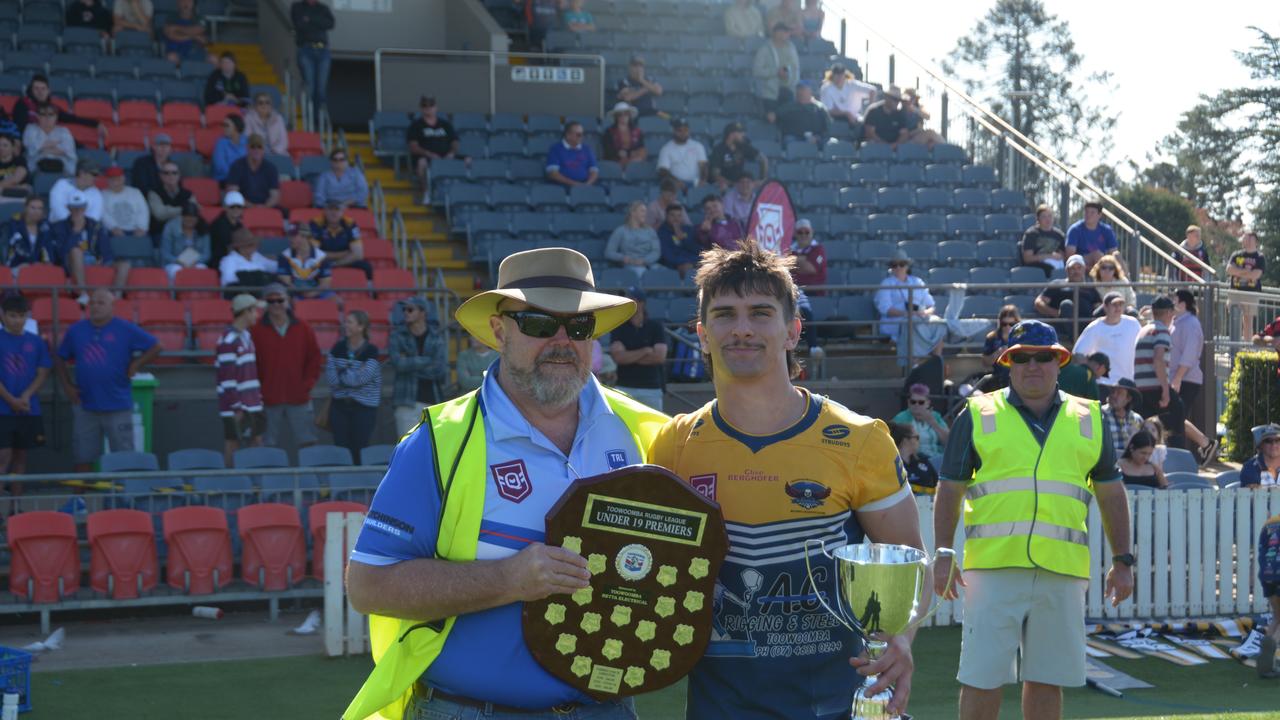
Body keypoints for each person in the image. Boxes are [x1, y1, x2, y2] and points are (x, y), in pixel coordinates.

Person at [342, 247, 665, 720]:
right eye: (538, 323)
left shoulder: (646, 433)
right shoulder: (438, 441)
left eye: (578, 327)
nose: (561, 340)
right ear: (499, 330)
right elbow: (368, 586)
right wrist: (507, 579)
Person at [647, 241, 927, 720]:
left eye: (760, 312)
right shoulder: (674, 445)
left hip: (837, 705)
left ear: (793, 330)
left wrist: (899, 637)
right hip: (719, 708)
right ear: (701, 334)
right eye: (724, 314)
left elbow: (910, 566)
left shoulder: (861, 439)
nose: (741, 329)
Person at [934, 319, 1133, 720]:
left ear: (1060, 362)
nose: (1033, 365)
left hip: (1061, 570)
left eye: (1044, 357)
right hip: (992, 569)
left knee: (1047, 679)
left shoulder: (1089, 416)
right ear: (1008, 363)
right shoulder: (977, 412)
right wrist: (942, 554)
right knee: (981, 677)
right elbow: (950, 489)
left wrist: (1123, 560)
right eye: (1022, 358)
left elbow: (1111, 493)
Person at [55, 289, 161, 472]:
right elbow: (59, 357)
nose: (95, 307)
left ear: (113, 306)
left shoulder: (126, 328)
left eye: (101, 303)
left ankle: (123, 500)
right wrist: (67, 386)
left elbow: (157, 346)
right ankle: (79, 499)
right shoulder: (76, 330)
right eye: (92, 303)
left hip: (118, 404)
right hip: (85, 405)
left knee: (124, 457)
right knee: (82, 456)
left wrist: (136, 364)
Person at [250, 283, 322, 451]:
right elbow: (250, 363)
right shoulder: (255, 330)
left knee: (308, 443)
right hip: (267, 399)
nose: (276, 304)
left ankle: (309, 478)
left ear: (288, 301)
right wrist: (259, 390)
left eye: (280, 300)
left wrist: (306, 385)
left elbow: (314, 359)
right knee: (267, 445)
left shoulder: (303, 327)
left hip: (299, 397)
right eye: (271, 300)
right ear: (265, 303)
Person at [0, 294, 51, 489]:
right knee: (3, 458)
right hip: (3, 410)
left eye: (21, 316)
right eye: (12, 315)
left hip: (28, 409)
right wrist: (10, 400)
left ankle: (16, 508)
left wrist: (26, 395)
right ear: (3, 315)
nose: (17, 320)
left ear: (27, 316)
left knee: (21, 459)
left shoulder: (36, 342)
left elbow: (43, 371)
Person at [324, 310, 381, 463]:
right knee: (341, 448)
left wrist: (342, 372)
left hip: (364, 408)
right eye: (345, 322)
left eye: (349, 322)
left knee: (360, 448)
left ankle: (359, 484)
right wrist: (353, 373)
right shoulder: (337, 348)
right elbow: (331, 378)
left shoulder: (372, 351)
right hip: (339, 407)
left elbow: (362, 379)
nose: (345, 325)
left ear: (361, 327)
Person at [217, 293, 266, 464]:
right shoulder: (228, 340)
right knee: (233, 444)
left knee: (257, 442)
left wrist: (257, 399)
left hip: (252, 403)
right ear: (246, 312)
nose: (257, 315)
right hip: (236, 406)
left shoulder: (247, 336)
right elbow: (227, 378)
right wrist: (236, 406)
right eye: (255, 311)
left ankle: (257, 486)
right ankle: (230, 485)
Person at [389, 296, 448, 437]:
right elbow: (398, 364)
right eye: (404, 310)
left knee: (433, 451)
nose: (405, 313)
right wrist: (427, 361)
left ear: (423, 313)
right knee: (406, 450)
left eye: (410, 309)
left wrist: (409, 363)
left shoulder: (436, 337)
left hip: (433, 401)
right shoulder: (397, 335)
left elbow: (440, 370)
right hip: (405, 401)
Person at [53, 190, 128, 293]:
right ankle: (83, 293)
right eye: (74, 208)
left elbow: (105, 248)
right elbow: (61, 253)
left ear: (85, 207)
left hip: (94, 259)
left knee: (124, 265)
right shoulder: (59, 227)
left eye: (81, 207)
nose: (78, 211)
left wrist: (101, 259)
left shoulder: (95, 225)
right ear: (69, 208)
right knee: (76, 251)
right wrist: (75, 231)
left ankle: (114, 298)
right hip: (72, 261)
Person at [875, 254, 947, 360]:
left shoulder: (917, 282)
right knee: (913, 326)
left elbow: (931, 305)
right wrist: (907, 314)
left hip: (919, 318)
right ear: (891, 268)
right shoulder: (886, 283)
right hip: (896, 322)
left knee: (938, 324)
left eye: (902, 264)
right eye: (895, 265)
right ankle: (913, 367)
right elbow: (885, 309)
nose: (898, 268)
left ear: (907, 266)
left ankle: (937, 365)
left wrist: (925, 313)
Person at [608, 287, 666, 410]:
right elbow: (618, 357)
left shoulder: (655, 327)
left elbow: (659, 357)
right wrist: (645, 351)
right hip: (624, 387)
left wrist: (629, 356)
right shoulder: (618, 327)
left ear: (641, 303)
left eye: (630, 300)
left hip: (651, 388)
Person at [1073, 291, 1141, 382]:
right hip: (1103, 384)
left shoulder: (1133, 323)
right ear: (1105, 307)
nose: (1118, 307)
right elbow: (1078, 354)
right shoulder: (1095, 327)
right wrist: (1092, 373)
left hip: (1128, 383)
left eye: (1120, 304)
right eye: (1114, 304)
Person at [1034, 254, 1101, 342]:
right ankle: (1077, 340)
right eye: (1072, 268)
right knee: (1066, 304)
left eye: (1079, 268)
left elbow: (1098, 306)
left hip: (1086, 322)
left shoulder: (1090, 288)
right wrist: (1057, 313)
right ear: (1067, 270)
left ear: (1084, 269)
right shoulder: (1057, 284)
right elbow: (1039, 302)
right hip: (1064, 323)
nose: (1076, 271)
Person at [11, 75, 101, 135]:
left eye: (43, 89)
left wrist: (95, 123)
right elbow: (20, 129)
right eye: (36, 89)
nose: (40, 92)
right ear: (31, 90)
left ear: (48, 91)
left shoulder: (51, 108)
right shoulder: (22, 104)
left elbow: (72, 118)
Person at [291, 0, 335, 116]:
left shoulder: (323, 8)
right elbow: (299, 25)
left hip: (323, 50)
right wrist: (317, 21)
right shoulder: (297, 7)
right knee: (310, 86)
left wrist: (310, 18)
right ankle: (308, 119)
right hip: (306, 50)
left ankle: (318, 120)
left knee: (321, 89)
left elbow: (330, 24)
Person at [311, 199, 372, 278]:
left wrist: (336, 263)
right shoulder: (316, 224)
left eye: (337, 209)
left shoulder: (350, 223)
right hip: (323, 261)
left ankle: (369, 290)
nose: (333, 213)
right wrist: (344, 253)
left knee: (366, 266)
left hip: (344, 260)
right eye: (330, 209)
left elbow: (358, 254)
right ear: (325, 211)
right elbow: (313, 253)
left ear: (342, 212)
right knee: (310, 265)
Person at [407, 97, 460, 186]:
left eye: (431, 105)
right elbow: (413, 147)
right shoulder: (415, 125)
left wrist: (451, 153)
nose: (428, 108)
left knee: (468, 160)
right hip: (427, 158)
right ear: (421, 108)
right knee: (422, 163)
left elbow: (455, 142)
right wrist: (429, 154)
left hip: (447, 156)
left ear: (436, 107)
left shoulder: (445, 124)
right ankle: (427, 194)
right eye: (425, 106)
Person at [753, 23, 800, 123]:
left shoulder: (791, 48)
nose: (787, 34)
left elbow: (796, 68)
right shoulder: (764, 49)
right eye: (784, 32)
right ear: (776, 33)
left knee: (788, 121)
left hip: (788, 91)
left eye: (787, 32)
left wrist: (791, 81)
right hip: (770, 93)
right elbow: (757, 71)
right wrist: (776, 72)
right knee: (771, 120)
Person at [604, 201, 660, 278]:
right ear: (633, 212)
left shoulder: (650, 231)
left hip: (649, 264)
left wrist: (644, 261)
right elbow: (609, 252)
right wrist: (624, 258)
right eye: (642, 211)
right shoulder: (621, 231)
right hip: (631, 265)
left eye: (646, 211)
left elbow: (656, 251)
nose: (645, 214)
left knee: (665, 273)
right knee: (642, 273)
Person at [892, 382, 949, 457]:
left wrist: (933, 422)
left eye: (921, 402)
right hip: (914, 460)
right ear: (908, 403)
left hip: (937, 457)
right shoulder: (901, 418)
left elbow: (949, 442)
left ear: (928, 403)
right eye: (913, 402)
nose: (916, 405)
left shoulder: (935, 416)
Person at [225, 134, 281, 209]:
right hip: (242, 208)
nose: (256, 150)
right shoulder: (237, 166)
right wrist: (252, 207)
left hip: (266, 208)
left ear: (263, 150)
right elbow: (233, 193)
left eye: (259, 147)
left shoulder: (271, 168)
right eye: (253, 147)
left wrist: (264, 207)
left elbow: (274, 196)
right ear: (247, 148)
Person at [276, 222, 330, 298]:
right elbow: (286, 282)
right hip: (295, 292)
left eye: (294, 236)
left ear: (305, 236)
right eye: (289, 235)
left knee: (336, 302)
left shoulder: (322, 257)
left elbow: (325, 283)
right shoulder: (284, 256)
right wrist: (301, 293)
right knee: (292, 302)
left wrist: (312, 293)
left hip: (317, 291)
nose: (290, 239)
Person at [1, 196, 58, 270]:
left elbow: (49, 249)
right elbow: (14, 248)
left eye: (40, 208)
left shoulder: (46, 227)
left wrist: (44, 264)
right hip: (17, 267)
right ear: (25, 208)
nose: (36, 211)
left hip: (40, 268)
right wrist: (30, 264)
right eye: (33, 208)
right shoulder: (13, 225)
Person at [1227, 229, 1265, 338]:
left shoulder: (1259, 257)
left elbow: (1256, 275)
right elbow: (1229, 270)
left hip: (1251, 293)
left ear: (1255, 241)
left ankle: (1247, 347)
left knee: (1248, 321)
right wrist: (1248, 272)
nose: (1246, 241)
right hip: (1235, 291)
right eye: (1245, 238)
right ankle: (1234, 348)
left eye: (1249, 238)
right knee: (1234, 320)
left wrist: (1238, 271)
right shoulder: (1236, 254)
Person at [709, 121, 767, 189]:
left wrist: (762, 179)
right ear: (731, 134)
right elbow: (716, 175)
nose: (743, 134)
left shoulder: (743, 146)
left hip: (740, 184)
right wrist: (733, 184)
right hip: (723, 186)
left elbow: (763, 159)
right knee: (723, 186)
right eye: (740, 132)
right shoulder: (718, 149)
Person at [1257, 509, 1280, 677]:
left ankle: (1268, 640)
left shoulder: (1269, 523)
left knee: (1277, 617)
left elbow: (1261, 553)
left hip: (1268, 576)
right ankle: (1272, 644)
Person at [160, 202, 211, 280]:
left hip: (196, 263)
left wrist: (195, 262)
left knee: (202, 269)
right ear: (182, 217)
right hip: (174, 263)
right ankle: (176, 292)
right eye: (187, 216)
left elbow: (206, 254)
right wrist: (179, 261)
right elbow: (165, 253)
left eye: (193, 217)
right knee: (176, 271)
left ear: (197, 218)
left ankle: (198, 292)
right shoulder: (171, 227)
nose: (190, 219)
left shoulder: (203, 228)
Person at [23, 103, 76, 176]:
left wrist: (42, 148)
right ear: (38, 116)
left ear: (56, 117)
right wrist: (52, 146)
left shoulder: (63, 131)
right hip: (36, 167)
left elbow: (67, 151)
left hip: (62, 166)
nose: (47, 117)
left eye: (51, 114)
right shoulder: (30, 129)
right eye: (43, 114)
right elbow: (30, 149)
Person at [820, 62, 875, 131]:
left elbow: (872, 90)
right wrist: (847, 114)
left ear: (845, 75)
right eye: (836, 74)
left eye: (841, 74)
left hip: (856, 119)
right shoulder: (826, 88)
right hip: (836, 119)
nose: (839, 77)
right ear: (832, 75)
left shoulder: (853, 85)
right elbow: (828, 110)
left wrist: (870, 113)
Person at [1065, 200, 1118, 271]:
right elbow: (1070, 255)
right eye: (1086, 212)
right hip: (1079, 263)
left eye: (1092, 212)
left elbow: (1113, 251)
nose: (1088, 215)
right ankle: (1102, 275)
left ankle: (1125, 280)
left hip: (1101, 262)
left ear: (1099, 215)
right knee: (1096, 254)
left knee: (1117, 256)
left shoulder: (1106, 230)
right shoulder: (1075, 229)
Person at [977, 305, 1021, 391]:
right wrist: (997, 353)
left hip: (1019, 374)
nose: (1008, 327)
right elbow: (985, 363)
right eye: (1004, 324)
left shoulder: (1023, 337)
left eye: (1011, 324)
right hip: (999, 376)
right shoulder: (992, 337)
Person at [657, 117, 708, 191]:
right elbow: (663, 171)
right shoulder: (666, 148)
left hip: (696, 183)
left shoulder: (698, 146)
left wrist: (703, 180)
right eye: (679, 130)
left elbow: (703, 166)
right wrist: (676, 182)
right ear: (674, 131)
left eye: (686, 130)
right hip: (676, 185)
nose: (683, 133)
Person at [890, 421, 939, 496]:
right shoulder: (892, 465)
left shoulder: (923, 461)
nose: (919, 441)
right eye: (917, 437)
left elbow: (938, 484)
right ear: (905, 440)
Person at [101, 166, 149, 239]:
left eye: (118, 179)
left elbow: (143, 211)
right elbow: (104, 214)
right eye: (112, 179)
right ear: (107, 180)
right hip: (113, 232)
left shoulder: (135, 192)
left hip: (136, 230)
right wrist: (113, 228)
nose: (116, 182)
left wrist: (141, 227)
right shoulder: (103, 195)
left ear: (123, 178)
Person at [146, 160, 192, 237]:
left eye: (174, 173)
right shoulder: (153, 193)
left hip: (183, 235)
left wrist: (168, 210)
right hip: (160, 234)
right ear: (161, 176)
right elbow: (160, 214)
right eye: (166, 173)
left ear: (179, 175)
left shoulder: (188, 194)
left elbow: (192, 214)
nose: (171, 176)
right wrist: (183, 210)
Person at [1100, 378, 1144, 457]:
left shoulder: (1137, 419)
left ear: (1129, 398)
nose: (1114, 395)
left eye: (1119, 393)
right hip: (1107, 463)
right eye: (1113, 391)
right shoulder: (1100, 414)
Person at [545, 122, 598, 187]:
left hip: (586, 186)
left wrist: (588, 184)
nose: (582, 137)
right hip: (563, 187)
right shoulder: (555, 149)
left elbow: (594, 170)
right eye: (578, 134)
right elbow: (553, 173)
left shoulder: (587, 149)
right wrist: (575, 184)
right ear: (568, 135)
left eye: (582, 134)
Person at [1020, 204, 1067, 276]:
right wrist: (1049, 256)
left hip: (1056, 265)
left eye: (1050, 216)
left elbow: (1063, 256)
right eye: (1044, 216)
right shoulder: (1031, 234)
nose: (1047, 219)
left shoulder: (1059, 235)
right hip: (1037, 267)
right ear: (1038, 218)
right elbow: (1027, 258)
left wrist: (1059, 257)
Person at [658, 202, 698, 277]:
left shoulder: (688, 230)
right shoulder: (662, 232)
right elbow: (667, 256)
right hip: (673, 265)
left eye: (679, 216)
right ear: (666, 216)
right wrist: (683, 263)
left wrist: (684, 239)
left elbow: (697, 250)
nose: (676, 219)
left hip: (691, 262)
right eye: (672, 215)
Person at [244, 92, 289, 158]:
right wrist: (260, 151)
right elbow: (247, 138)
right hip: (256, 154)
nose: (264, 105)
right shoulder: (249, 118)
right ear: (255, 106)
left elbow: (283, 141)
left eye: (267, 102)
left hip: (278, 153)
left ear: (271, 106)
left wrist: (276, 151)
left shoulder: (278, 118)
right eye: (260, 103)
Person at [601, 102, 645, 169]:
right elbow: (608, 151)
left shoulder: (637, 131)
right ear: (616, 116)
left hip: (634, 160)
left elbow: (641, 147)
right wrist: (619, 153)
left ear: (629, 115)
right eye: (620, 114)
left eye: (626, 114)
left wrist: (629, 153)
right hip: (616, 161)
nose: (623, 116)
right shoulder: (609, 132)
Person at [129, 132, 173, 199]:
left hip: (168, 199)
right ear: (154, 147)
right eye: (160, 145)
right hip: (146, 199)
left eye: (166, 145)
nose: (163, 148)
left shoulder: (173, 165)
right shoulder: (141, 163)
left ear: (170, 148)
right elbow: (141, 186)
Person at [210, 190, 246, 268]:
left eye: (239, 207)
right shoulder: (218, 224)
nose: (236, 210)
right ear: (225, 208)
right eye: (232, 207)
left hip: (235, 258)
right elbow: (229, 246)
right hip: (221, 261)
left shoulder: (239, 225)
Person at [789, 218, 826, 289]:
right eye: (800, 232)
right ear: (795, 234)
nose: (803, 235)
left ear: (812, 232)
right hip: (794, 294)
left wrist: (794, 261)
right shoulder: (790, 250)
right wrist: (803, 260)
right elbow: (787, 268)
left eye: (807, 232)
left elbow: (810, 268)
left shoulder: (818, 249)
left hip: (815, 294)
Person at [1241, 424, 1280, 489]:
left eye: (1278, 440)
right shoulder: (1250, 467)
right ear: (1260, 445)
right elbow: (1249, 496)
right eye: (1268, 441)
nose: (1274, 444)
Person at [212, 114, 248, 183]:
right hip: (225, 180)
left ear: (236, 127)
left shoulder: (246, 141)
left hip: (243, 180)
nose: (224, 128)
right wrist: (236, 176)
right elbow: (220, 167)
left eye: (227, 125)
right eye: (223, 125)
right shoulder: (221, 143)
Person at [0, 131, 31, 198]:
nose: (1, 148)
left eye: (5, 145)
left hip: (19, 195)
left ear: (12, 147)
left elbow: (15, 179)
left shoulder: (20, 160)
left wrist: (2, 188)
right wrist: (17, 187)